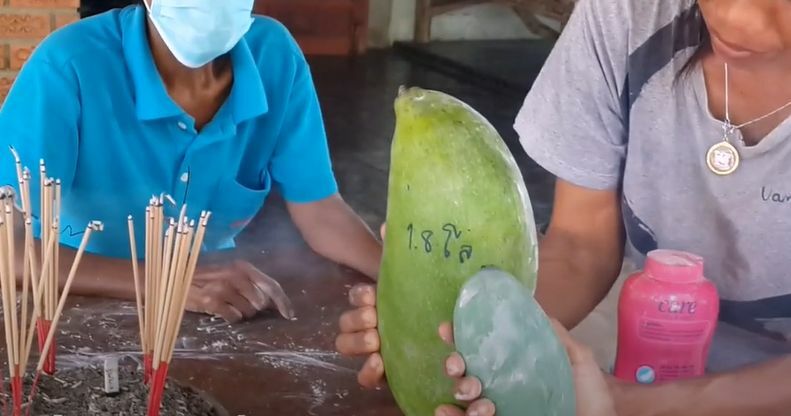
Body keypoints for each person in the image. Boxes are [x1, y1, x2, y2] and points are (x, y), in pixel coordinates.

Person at [336, 0, 791, 414]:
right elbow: (580, 247)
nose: (732, 18)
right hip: (648, 348)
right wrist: (461, 342)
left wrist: (633, 404)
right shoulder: (629, 14)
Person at [0, 0, 382, 323]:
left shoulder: (275, 58)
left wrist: (407, 282)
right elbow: (7, 245)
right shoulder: (70, 65)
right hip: (81, 294)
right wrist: (168, 282)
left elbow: (320, 208)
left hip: (216, 302)